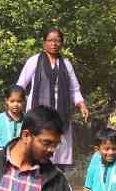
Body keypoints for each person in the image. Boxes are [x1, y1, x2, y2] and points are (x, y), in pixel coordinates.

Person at [15, 28, 89, 168]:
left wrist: (82, 105)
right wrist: (17, 105)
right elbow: (20, 85)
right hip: (39, 113)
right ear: (44, 43)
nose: (54, 44)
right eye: (50, 40)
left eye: (57, 41)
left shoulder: (66, 64)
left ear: (61, 43)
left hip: (61, 114)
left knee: (58, 152)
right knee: (37, 149)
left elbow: (74, 90)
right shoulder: (34, 61)